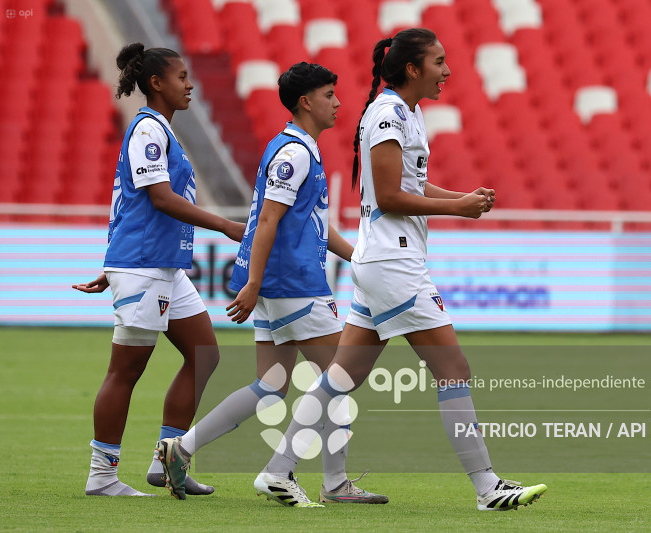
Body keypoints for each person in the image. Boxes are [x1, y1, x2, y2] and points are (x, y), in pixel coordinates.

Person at [258, 28, 547, 511]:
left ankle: (276, 469)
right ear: (412, 69)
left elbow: (409, 182)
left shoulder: (404, 113)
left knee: (340, 377)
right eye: (438, 62)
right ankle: (487, 488)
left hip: (382, 261)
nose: (447, 71)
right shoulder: (388, 114)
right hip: (395, 263)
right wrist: (458, 211)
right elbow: (390, 196)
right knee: (453, 369)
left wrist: (461, 197)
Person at [156, 62, 388, 506]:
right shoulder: (296, 153)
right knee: (341, 376)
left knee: (271, 385)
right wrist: (255, 281)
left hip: (278, 285)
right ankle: (298, 475)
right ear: (306, 101)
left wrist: (359, 257)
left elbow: (313, 225)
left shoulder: (296, 148)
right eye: (329, 94)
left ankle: (181, 447)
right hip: (294, 284)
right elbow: (266, 220)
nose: (338, 103)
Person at [73, 42, 245, 497]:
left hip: (160, 266)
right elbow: (160, 199)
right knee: (125, 371)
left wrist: (114, 264)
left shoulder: (162, 130)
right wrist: (226, 225)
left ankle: (167, 460)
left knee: (204, 355)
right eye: (182, 77)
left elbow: (128, 203)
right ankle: (102, 476)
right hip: (145, 266)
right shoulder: (148, 129)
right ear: (156, 83)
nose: (190, 85)